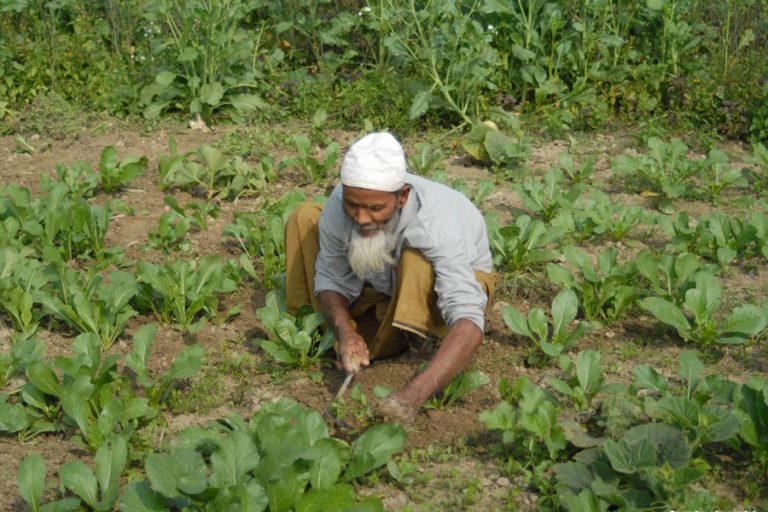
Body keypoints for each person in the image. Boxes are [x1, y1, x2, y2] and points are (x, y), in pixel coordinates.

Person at [284, 132, 496, 423]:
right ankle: (328, 331)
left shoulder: (437, 221)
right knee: (306, 216)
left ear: (402, 197)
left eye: (374, 208)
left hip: (445, 294)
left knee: (415, 258)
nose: (361, 218)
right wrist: (346, 332)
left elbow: (468, 315)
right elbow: (331, 275)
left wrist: (412, 396)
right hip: (385, 283)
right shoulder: (339, 206)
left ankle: (426, 343)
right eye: (353, 204)